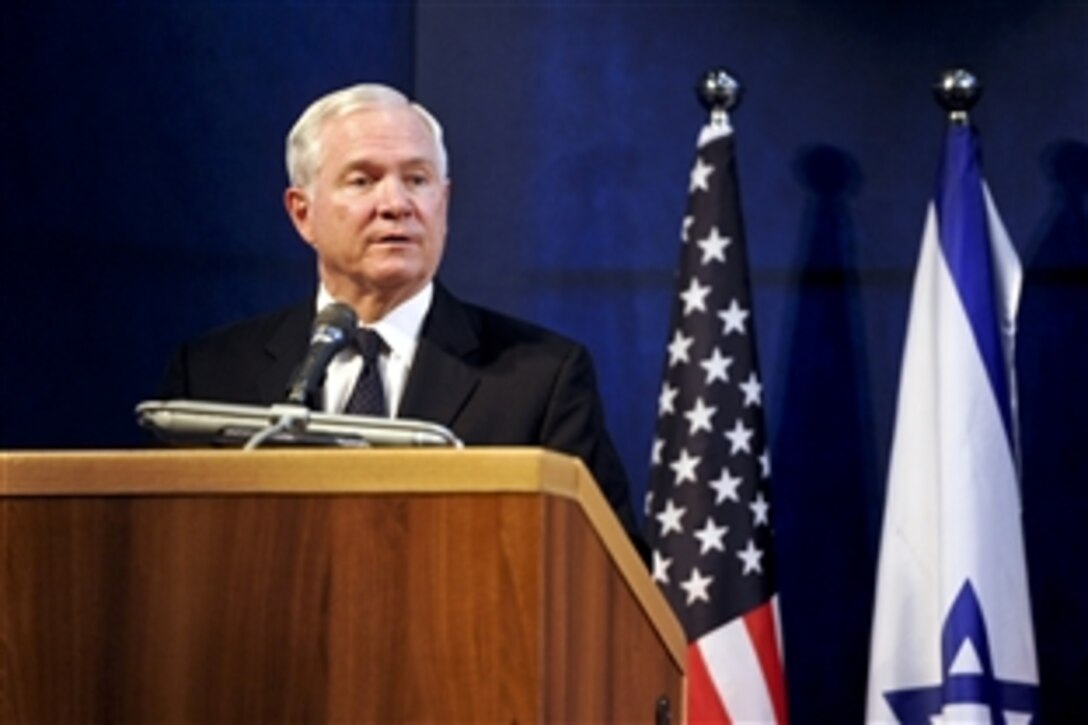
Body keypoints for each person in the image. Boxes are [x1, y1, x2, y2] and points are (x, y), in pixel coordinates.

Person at [159, 83, 646, 557]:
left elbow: (608, 573)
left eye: (417, 179)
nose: (396, 205)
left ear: (444, 202)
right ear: (302, 213)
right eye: (363, 180)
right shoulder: (211, 375)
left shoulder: (541, 381)